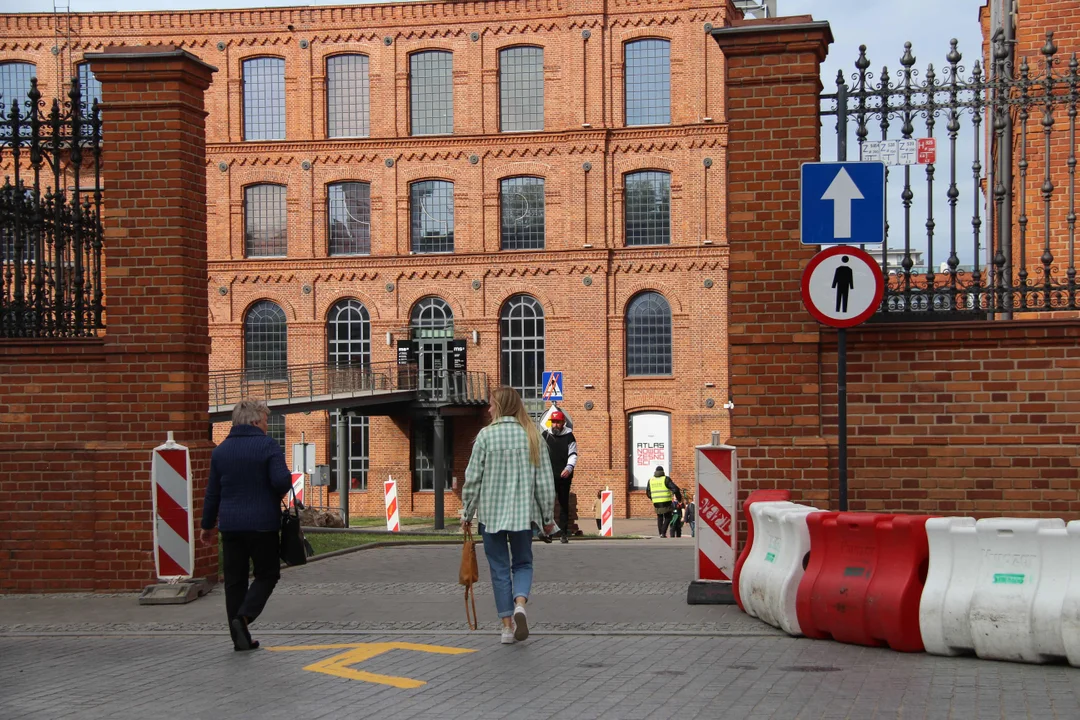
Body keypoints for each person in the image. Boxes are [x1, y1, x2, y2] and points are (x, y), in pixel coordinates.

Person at [462, 387, 555, 645]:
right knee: (523, 564)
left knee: (499, 569)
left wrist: (467, 512)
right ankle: (520, 604)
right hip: (523, 515)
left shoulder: (485, 437)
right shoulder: (533, 436)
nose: (489, 409)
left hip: (491, 516)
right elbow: (545, 484)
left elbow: (472, 479)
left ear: (500, 406)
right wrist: (547, 518)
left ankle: (506, 628)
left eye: (492, 404)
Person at [199, 397, 293, 652]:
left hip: (230, 526)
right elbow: (281, 481)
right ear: (254, 422)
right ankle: (244, 617)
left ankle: (239, 638)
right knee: (268, 574)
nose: (266, 426)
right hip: (263, 524)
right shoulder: (267, 446)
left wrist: (207, 525)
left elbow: (212, 493)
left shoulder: (220, 451)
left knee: (234, 582)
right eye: (265, 421)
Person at [542, 408, 577, 544]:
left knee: (563, 504)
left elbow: (573, 454)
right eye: (553, 422)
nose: (555, 425)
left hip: (564, 476)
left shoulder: (569, 436)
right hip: (548, 476)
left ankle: (563, 533)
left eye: (558, 422)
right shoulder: (545, 435)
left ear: (563, 423)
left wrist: (569, 468)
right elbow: (540, 454)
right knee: (548, 505)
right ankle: (549, 533)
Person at [645, 466, 683, 538]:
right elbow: (675, 489)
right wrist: (679, 498)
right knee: (668, 517)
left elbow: (647, 492)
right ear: (663, 471)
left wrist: (653, 498)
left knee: (660, 517)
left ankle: (661, 533)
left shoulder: (651, 480)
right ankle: (663, 532)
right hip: (666, 501)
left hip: (656, 502)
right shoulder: (666, 479)